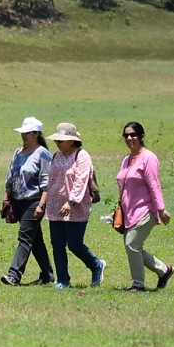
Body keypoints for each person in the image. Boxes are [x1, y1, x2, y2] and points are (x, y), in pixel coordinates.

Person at [44, 123, 106, 289]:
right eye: (57, 139)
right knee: (57, 244)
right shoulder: (56, 156)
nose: (58, 142)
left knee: (74, 243)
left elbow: (81, 179)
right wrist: (44, 202)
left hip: (76, 207)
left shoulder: (81, 155)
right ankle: (63, 280)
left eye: (61, 140)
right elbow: (50, 181)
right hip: (55, 206)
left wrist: (71, 201)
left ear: (71, 141)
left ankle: (96, 265)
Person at [116, 121, 174, 292]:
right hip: (129, 211)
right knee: (135, 247)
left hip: (145, 209)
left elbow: (154, 184)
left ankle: (138, 284)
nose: (129, 138)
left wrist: (161, 209)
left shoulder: (148, 158)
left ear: (141, 136)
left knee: (131, 244)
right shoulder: (127, 160)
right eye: (126, 135)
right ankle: (164, 270)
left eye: (133, 134)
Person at [1, 117, 55, 286]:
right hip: (18, 200)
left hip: (34, 200)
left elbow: (47, 182)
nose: (24, 135)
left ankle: (14, 275)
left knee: (24, 237)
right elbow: (10, 176)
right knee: (35, 239)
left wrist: (41, 205)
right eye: (22, 132)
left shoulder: (42, 154)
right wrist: (6, 197)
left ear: (36, 133)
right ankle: (47, 274)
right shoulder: (18, 153)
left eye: (27, 133)